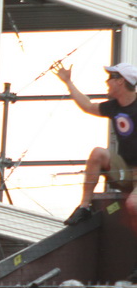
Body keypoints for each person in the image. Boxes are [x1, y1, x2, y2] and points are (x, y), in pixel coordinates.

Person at [54, 61, 137, 224]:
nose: (107, 82)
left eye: (110, 77)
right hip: (125, 169)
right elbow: (88, 106)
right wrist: (68, 82)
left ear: (121, 81)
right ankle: (84, 207)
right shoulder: (113, 107)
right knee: (98, 153)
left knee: (133, 204)